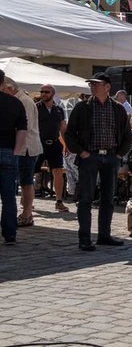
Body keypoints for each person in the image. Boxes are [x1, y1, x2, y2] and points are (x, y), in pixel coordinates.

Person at [63, 72, 132, 251]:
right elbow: (70, 134)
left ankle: (104, 235)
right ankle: (85, 238)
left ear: (107, 87)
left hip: (110, 157)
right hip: (90, 157)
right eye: (91, 85)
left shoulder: (118, 109)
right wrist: (82, 152)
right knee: (86, 198)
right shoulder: (83, 107)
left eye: (96, 84)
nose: (93, 87)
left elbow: (127, 136)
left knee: (108, 199)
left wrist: (118, 155)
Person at [2, 78, 42, 228]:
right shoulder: (20, 100)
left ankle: (26, 214)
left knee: (26, 182)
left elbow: (25, 127)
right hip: (24, 147)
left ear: (10, 88)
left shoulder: (22, 101)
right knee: (24, 182)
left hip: (26, 148)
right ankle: (26, 213)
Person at [0, 69, 27, 245]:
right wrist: (16, 151)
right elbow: (22, 131)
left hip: (8, 150)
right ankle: (10, 234)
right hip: (8, 150)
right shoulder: (15, 103)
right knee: (9, 196)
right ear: (3, 83)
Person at [36, 84, 68, 212]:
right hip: (39, 143)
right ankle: (28, 200)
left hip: (54, 143)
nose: (43, 94)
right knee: (34, 171)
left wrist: (66, 145)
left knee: (58, 171)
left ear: (53, 93)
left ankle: (59, 201)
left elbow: (63, 128)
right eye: (42, 91)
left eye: (46, 92)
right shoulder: (36, 107)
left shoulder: (59, 109)